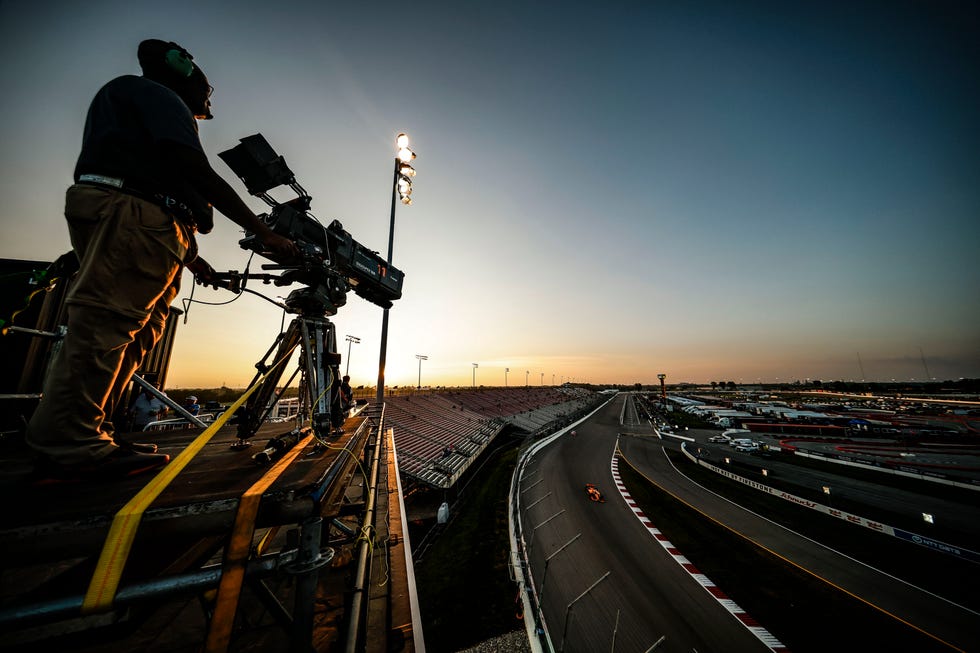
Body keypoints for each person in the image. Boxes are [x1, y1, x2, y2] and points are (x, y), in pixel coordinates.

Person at [26, 39, 298, 482]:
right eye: (207, 89)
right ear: (180, 69)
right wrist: (262, 230)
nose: (209, 99)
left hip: (151, 223)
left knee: (138, 331)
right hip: (134, 215)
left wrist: (191, 258)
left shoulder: (139, 103)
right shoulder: (156, 94)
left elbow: (166, 184)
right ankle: (69, 445)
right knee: (107, 325)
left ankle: (94, 433)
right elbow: (192, 170)